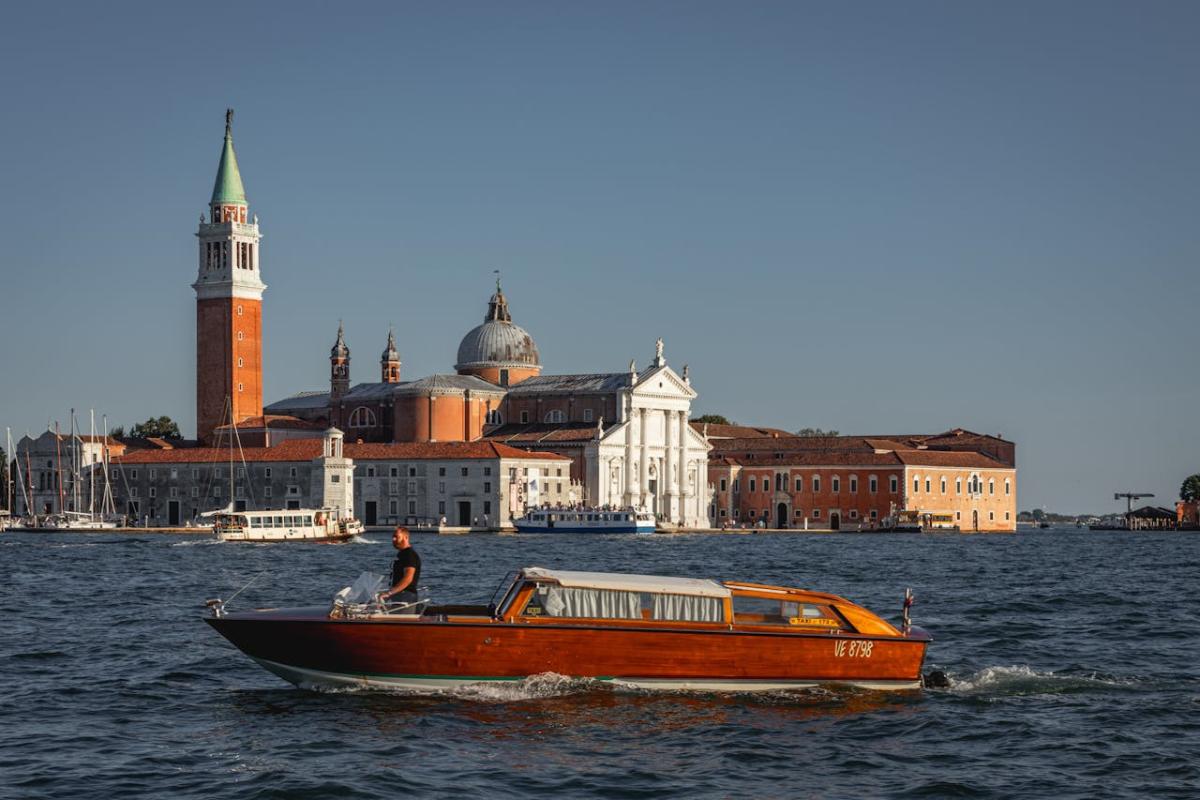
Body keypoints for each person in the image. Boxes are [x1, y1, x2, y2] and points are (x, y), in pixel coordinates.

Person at [380, 526, 421, 607]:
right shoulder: (403, 554)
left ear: (406, 537)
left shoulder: (409, 555)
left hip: (406, 598)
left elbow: (408, 578)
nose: (393, 540)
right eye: (393, 537)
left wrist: (389, 593)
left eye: (397, 537)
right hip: (399, 596)